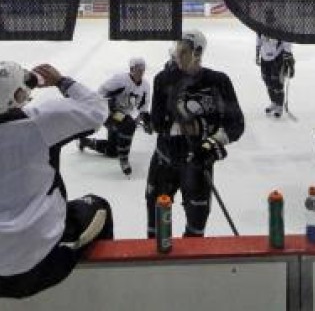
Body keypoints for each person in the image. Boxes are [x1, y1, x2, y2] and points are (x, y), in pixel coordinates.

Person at [0, 61, 113, 299]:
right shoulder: (43, 121)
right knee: (100, 206)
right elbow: (97, 110)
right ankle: (103, 290)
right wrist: (61, 81)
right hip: (40, 268)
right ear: (19, 93)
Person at [145, 29, 245, 237]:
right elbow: (157, 123)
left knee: (196, 228)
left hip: (199, 165)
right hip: (165, 162)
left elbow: (236, 124)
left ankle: (189, 268)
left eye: (184, 52)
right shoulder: (163, 80)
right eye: (177, 51)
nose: (177, 56)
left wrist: (211, 144)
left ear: (198, 52)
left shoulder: (218, 82)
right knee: (156, 231)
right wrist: (173, 125)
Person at [78, 57, 153, 176]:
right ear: (131, 69)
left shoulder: (145, 86)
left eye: (142, 69)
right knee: (129, 124)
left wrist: (146, 119)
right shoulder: (120, 80)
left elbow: (144, 104)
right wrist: (109, 102)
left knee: (112, 151)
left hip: (122, 114)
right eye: (137, 69)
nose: (140, 72)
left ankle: (86, 142)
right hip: (108, 112)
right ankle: (124, 159)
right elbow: (101, 92)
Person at [256, 29, 295, 117]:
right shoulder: (259, 26)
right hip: (264, 57)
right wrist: (257, 54)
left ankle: (280, 106)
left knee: (277, 83)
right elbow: (258, 40)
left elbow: (286, 40)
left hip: (277, 57)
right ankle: (274, 102)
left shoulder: (280, 26)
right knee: (267, 81)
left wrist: (288, 55)